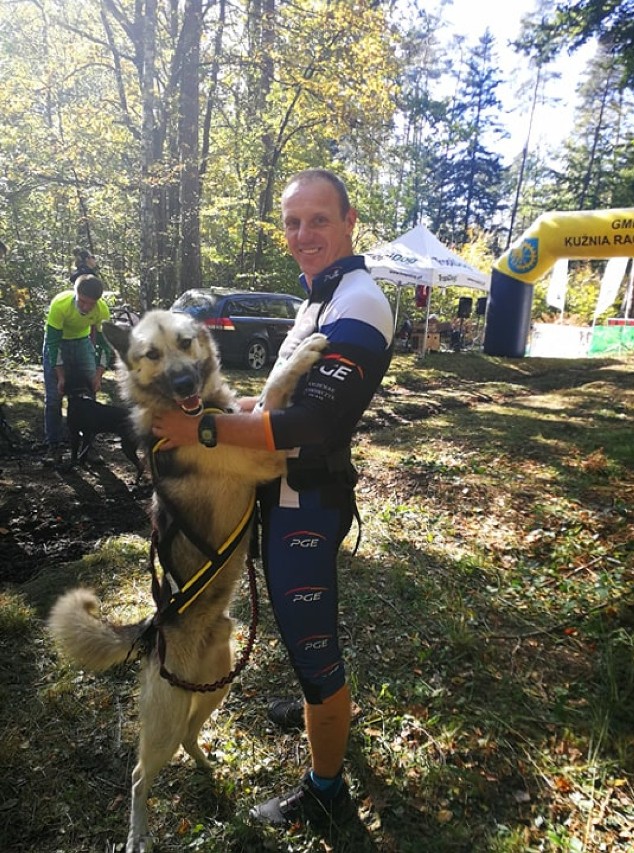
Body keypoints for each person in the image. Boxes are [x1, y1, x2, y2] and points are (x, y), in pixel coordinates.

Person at [152, 168, 394, 833]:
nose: (303, 234)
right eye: (292, 222)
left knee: (317, 655)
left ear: (349, 221)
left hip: (306, 507)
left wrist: (200, 429)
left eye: (318, 219)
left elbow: (310, 426)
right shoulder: (317, 299)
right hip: (287, 498)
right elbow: (274, 405)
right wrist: (231, 415)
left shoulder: (361, 302)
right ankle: (319, 705)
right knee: (299, 633)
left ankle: (326, 791)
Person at [42, 274, 111, 461]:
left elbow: (105, 346)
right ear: (76, 294)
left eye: (91, 303)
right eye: (82, 302)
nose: (86, 307)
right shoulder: (60, 305)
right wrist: (61, 376)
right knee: (54, 397)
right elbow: (54, 346)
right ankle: (53, 445)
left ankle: (87, 446)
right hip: (58, 343)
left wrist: (98, 374)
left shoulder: (101, 310)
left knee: (90, 391)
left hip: (81, 341)